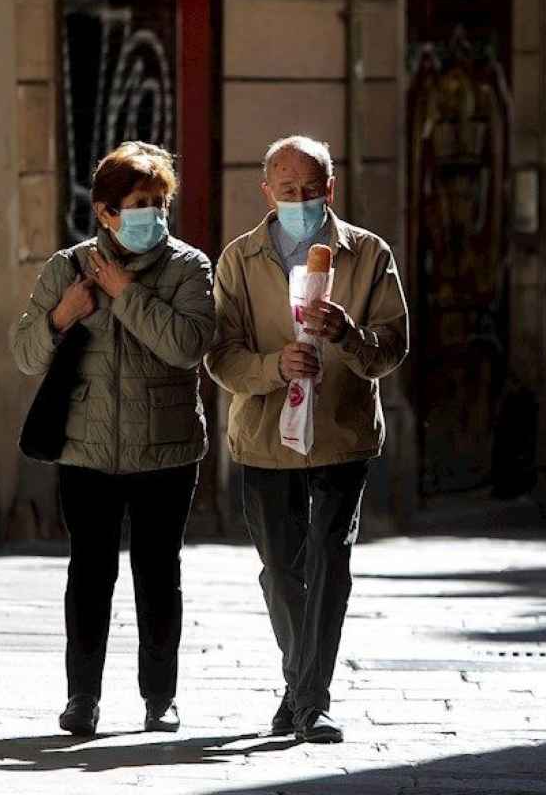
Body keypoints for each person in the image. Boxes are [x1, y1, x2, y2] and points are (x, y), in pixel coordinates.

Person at [206, 135, 408, 744]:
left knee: (329, 559)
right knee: (280, 570)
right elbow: (221, 356)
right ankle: (301, 685)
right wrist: (276, 367)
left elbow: (391, 348)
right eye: (287, 190)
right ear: (267, 191)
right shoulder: (240, 260)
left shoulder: (369, 255)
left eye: (311, 190)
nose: (300, 200)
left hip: (342, 435)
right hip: (266, 437)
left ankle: (310, 699)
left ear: (331, 189)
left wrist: (347, 334)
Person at [10, 141, 215, 736]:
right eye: (137, 203)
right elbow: (24, 355)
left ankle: (160, 697)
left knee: (159, 574)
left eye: (158, 202)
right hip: (86, 449)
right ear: (105, 212)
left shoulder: (188, 268)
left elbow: (185, 345)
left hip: (167, 450)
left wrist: (126, 292)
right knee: (89, 574)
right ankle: (82, 698)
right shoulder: (66, 269)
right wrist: (61, 315)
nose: (151, 213)